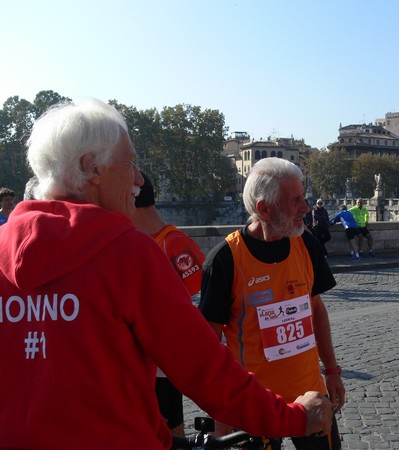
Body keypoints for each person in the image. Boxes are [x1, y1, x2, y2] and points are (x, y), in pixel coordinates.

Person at [0, 99, 332, 449]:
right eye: (130, 164)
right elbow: (205, 371)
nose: (139, 180)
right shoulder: (128, 254)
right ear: (91, 168)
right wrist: (296, 417)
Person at [199, 157, 345, 450]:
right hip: (253, 404)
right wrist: (221, 420)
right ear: (264, 209)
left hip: (311, 395)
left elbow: (315, 310)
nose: (305, 208)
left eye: (303, 198)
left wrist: (332, 371)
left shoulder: (305, 243)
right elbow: (209, 349)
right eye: (295, 201)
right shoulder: (225, 260)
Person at [132, 171, 206, 439]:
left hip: (162, 362)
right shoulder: (132, 242)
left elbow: (197, 292)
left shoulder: (174, 243)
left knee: (169, 429)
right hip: (134, 359)